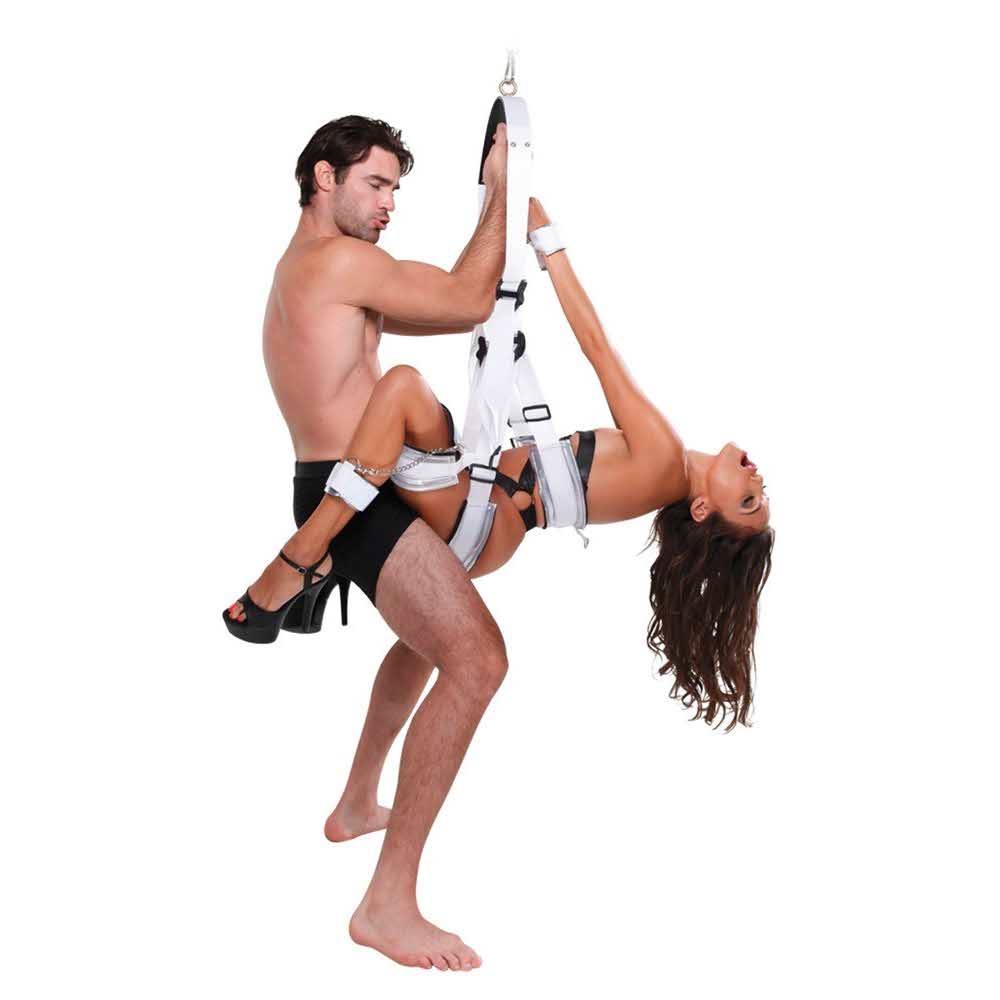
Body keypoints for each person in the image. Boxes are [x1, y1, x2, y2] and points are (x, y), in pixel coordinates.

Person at [226, 186, 776, 819]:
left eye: (748, 500)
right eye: (761, 493)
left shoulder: (665, 460)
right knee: (416, 650)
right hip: (483, 513)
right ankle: (356, 803)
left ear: (704, 510)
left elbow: (598, 349)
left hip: (485, 515)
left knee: (402, 387)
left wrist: (549, 245)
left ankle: (305, 555)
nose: (756, 479)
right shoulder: (665, 468)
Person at [231, 115, 521, 973]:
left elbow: (456, 308)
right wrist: (503, 187)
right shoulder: (335, 262)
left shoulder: (324, 273)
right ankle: (386, 904)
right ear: (324, 178)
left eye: (396, 187)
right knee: (477, 659)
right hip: (350, 495)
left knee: (426, 644)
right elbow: (467, 297)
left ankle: (358, 803)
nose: (390, 203)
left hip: (360, 482)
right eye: (376, 184)